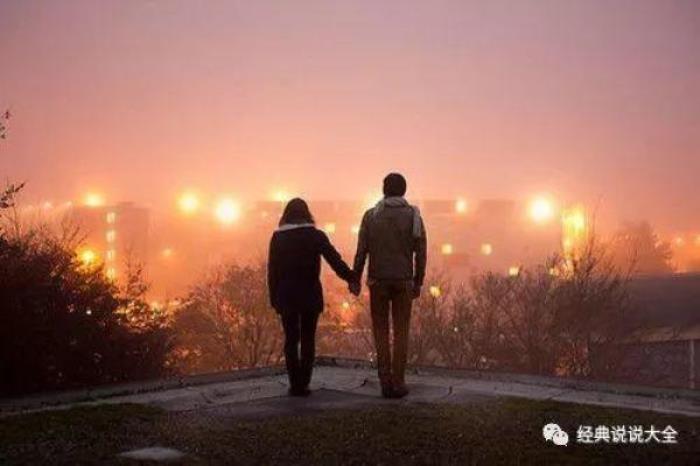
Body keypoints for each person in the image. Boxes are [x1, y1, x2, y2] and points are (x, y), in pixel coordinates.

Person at [268, 198, 356, 396]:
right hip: (310, 295)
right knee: (308, 339)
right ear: (307, 215)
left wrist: (274, 298)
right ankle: (305, 383)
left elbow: (272, 272)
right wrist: (352, 278)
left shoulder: (278, 238)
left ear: (286, 215)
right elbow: (335, 261)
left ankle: (294, 384)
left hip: (286, 296)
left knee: (291, 340)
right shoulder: (316, 236)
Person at [351, 173, 427, 398]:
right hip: (403, 281)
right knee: (401, 332)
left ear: (384, 190)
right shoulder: (414, 216)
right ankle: (399, 381)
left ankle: (385, 382)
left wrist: (355, 279)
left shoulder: (371, 216)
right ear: (404, 190)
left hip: (378, 281)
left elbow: (361, 251)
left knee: (381, 332)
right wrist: (418, 281)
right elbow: (421, 253)